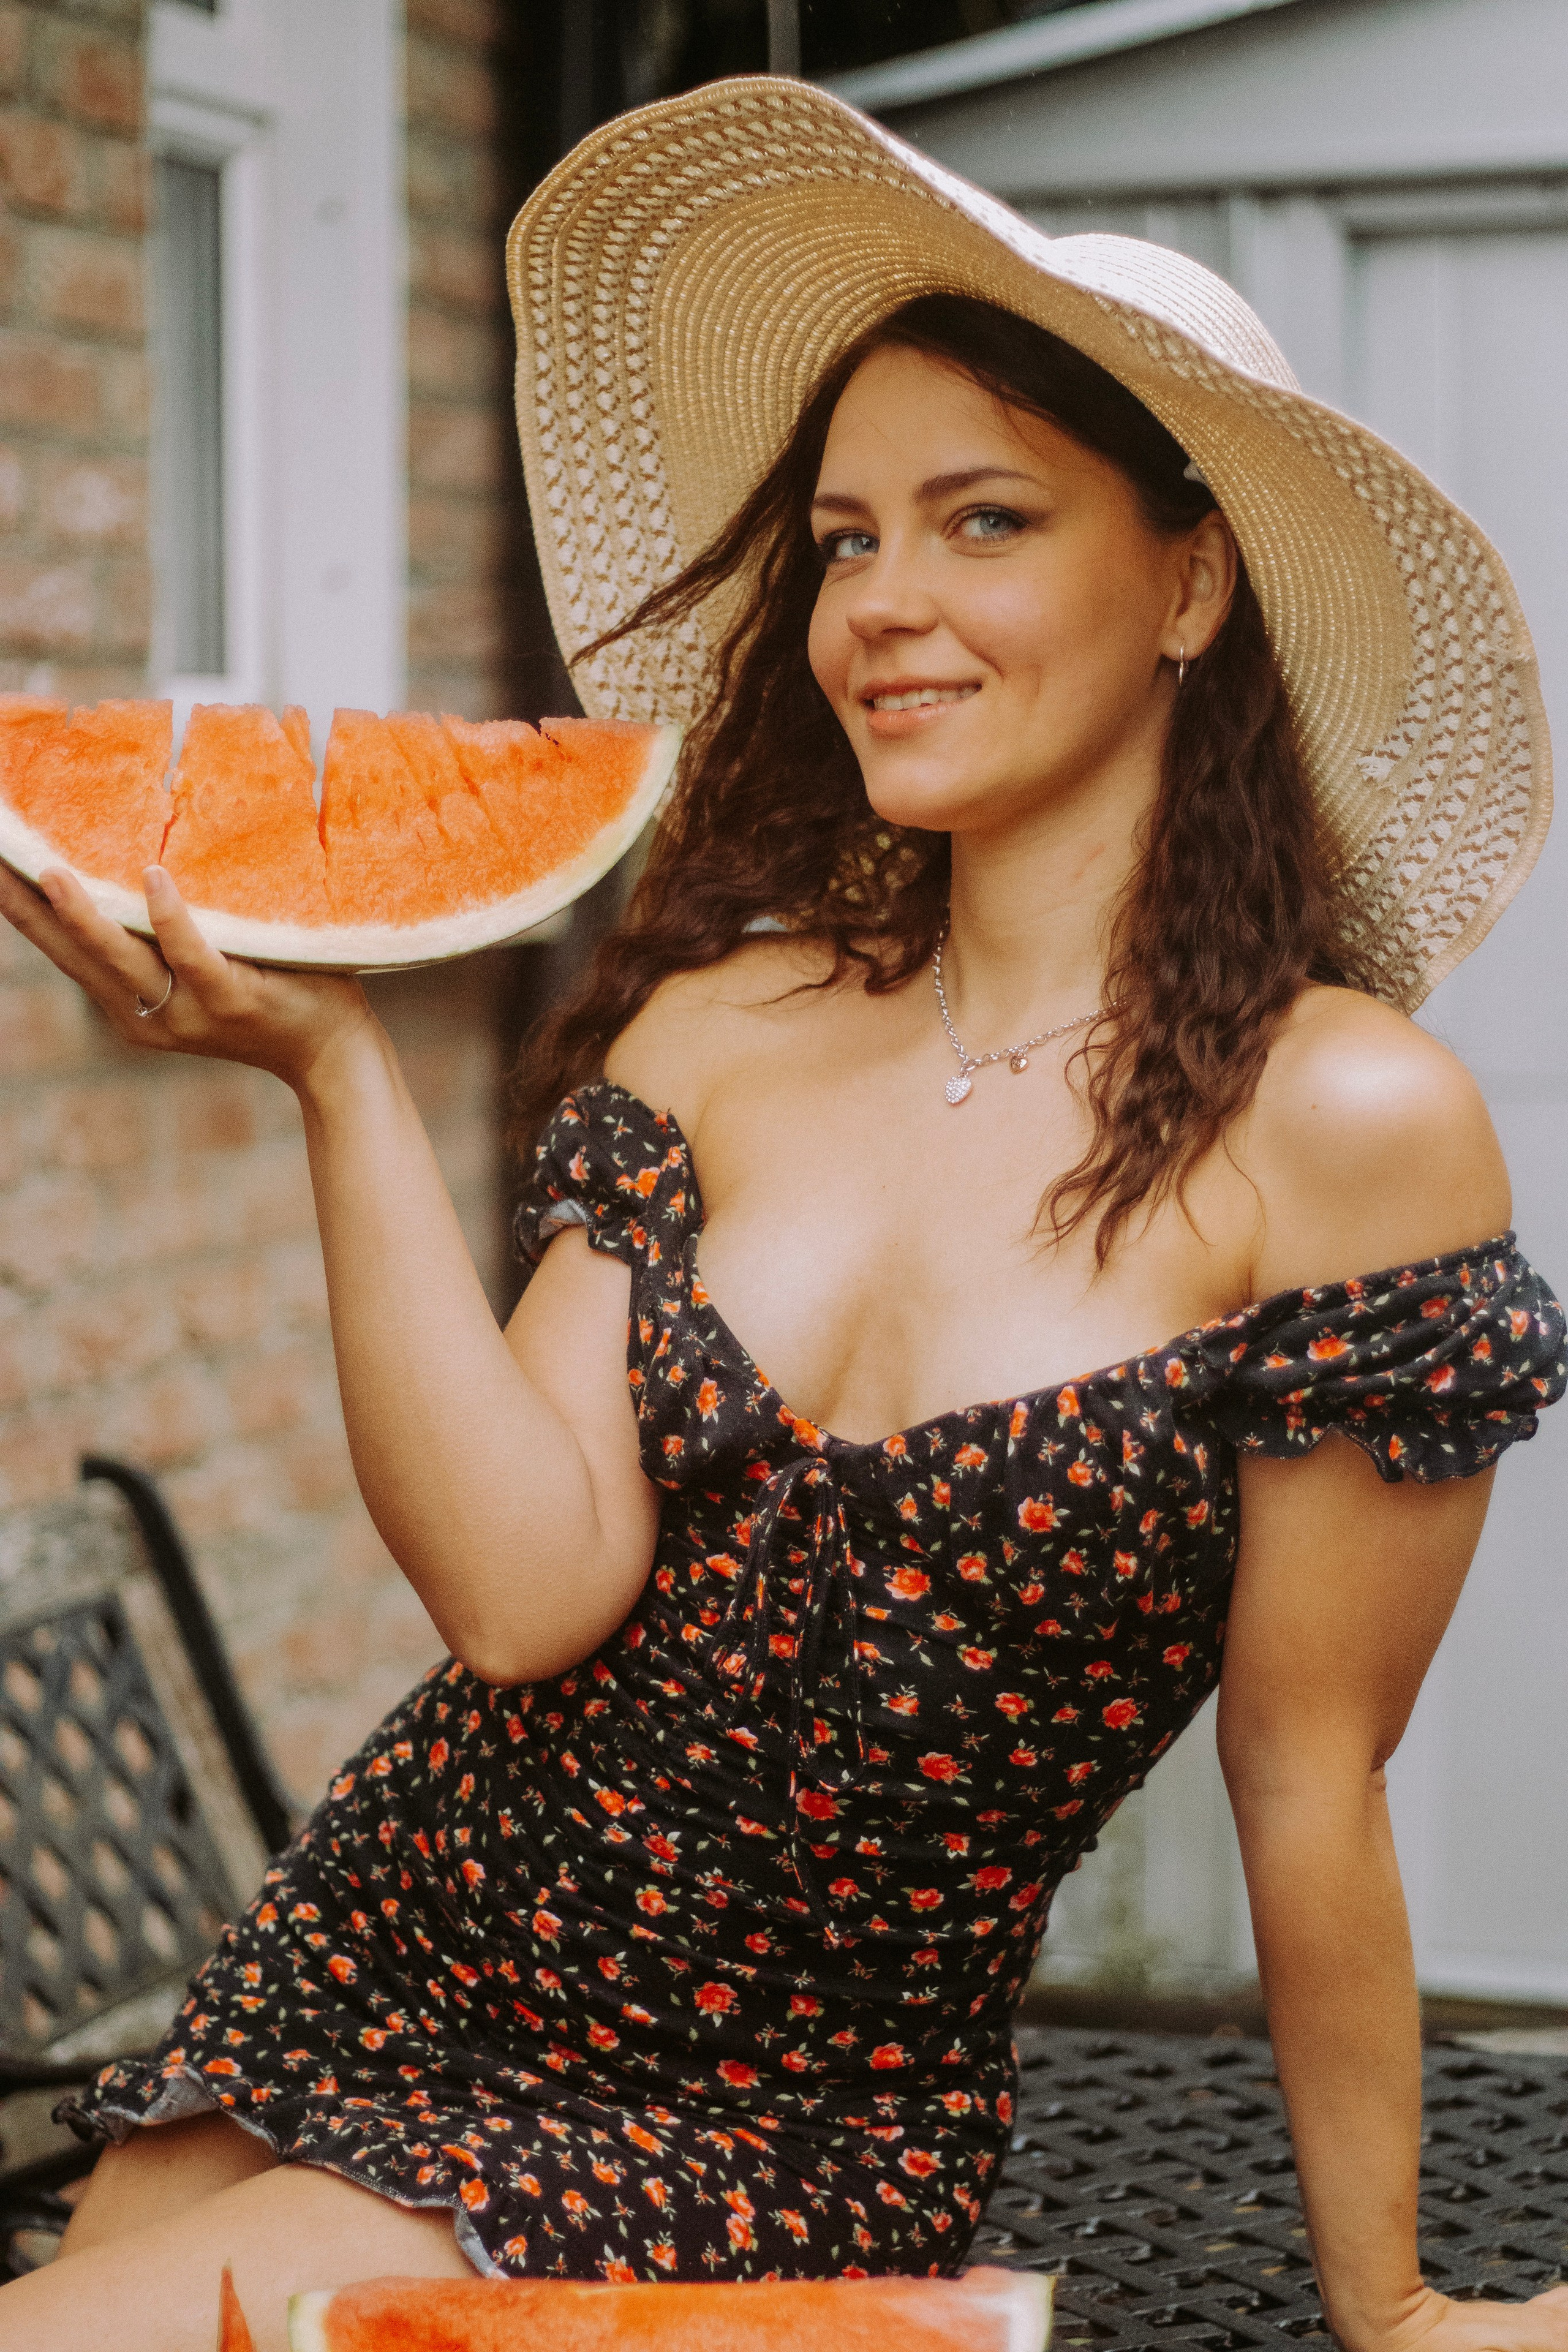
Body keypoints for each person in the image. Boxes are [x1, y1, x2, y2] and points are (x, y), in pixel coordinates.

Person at [0, 72, 1564, 2352]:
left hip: (758, 2127)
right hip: (380, 1948)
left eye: (984, 523)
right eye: (842, 541)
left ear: (1193, 580)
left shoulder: (1348, 1125)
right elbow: (526, 1600)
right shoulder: (717, 1025)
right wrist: (330, 1075)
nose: (883, 608)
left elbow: (1309, 1774)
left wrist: (1397, 2309)